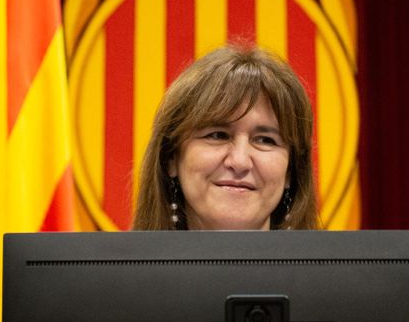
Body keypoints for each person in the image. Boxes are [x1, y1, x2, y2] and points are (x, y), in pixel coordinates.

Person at [132, 44, 319, 230]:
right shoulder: (113, 259)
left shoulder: (342, 260)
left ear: (290, 171)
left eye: (265, 140)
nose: (240, 162)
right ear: (171, 157)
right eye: (217, 136)